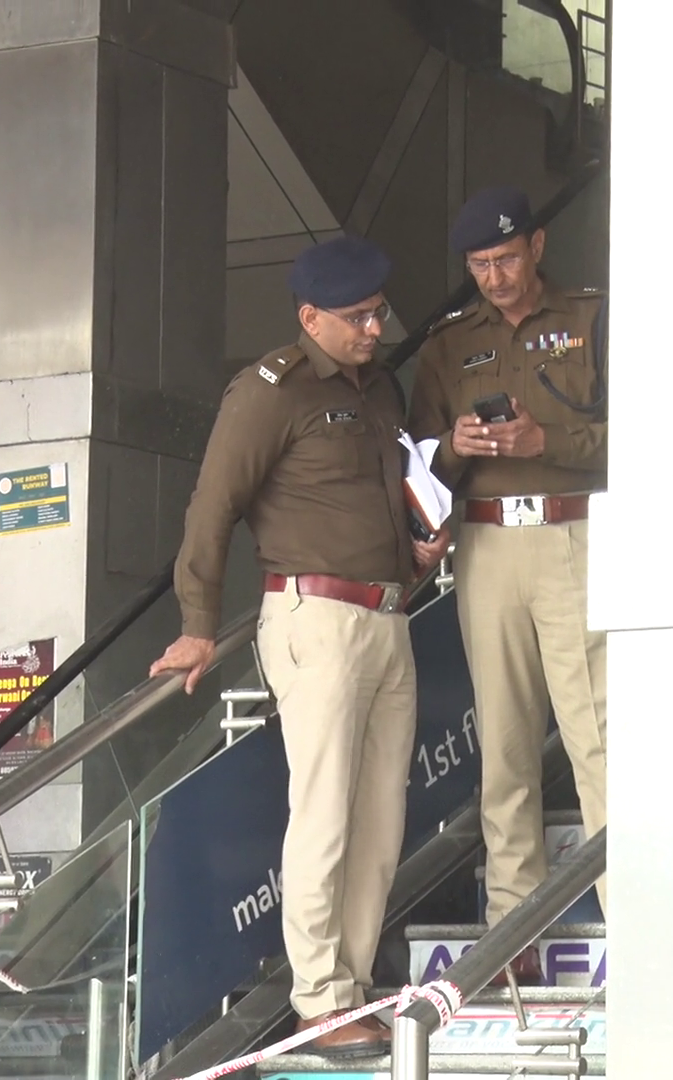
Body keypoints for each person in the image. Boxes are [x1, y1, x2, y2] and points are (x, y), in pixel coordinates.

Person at [150, 236, 446, 1058]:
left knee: (381, 817)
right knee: (323, 814)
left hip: (389, 615)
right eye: (357, 317)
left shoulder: (380, 389)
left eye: (378, 312)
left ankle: (352, 985)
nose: (374, 329)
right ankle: (319, 997)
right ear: (311, 317)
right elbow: (213, 506)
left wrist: (419, 552)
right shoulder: (269, 391)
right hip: (316, 620)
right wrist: (198, 624)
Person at [407, 187, 607, 978]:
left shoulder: (592, 317)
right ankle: (512, 930)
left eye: (506, 258)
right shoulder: (448, 344)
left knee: (597, 736)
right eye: (480, 264)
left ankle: (633, 909)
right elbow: (416, 464)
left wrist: (542, 437)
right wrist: (455, 446)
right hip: (486, 543)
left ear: (537, 246)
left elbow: (644, 431)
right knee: (505, 742)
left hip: (574, 534)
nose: (494, 277)